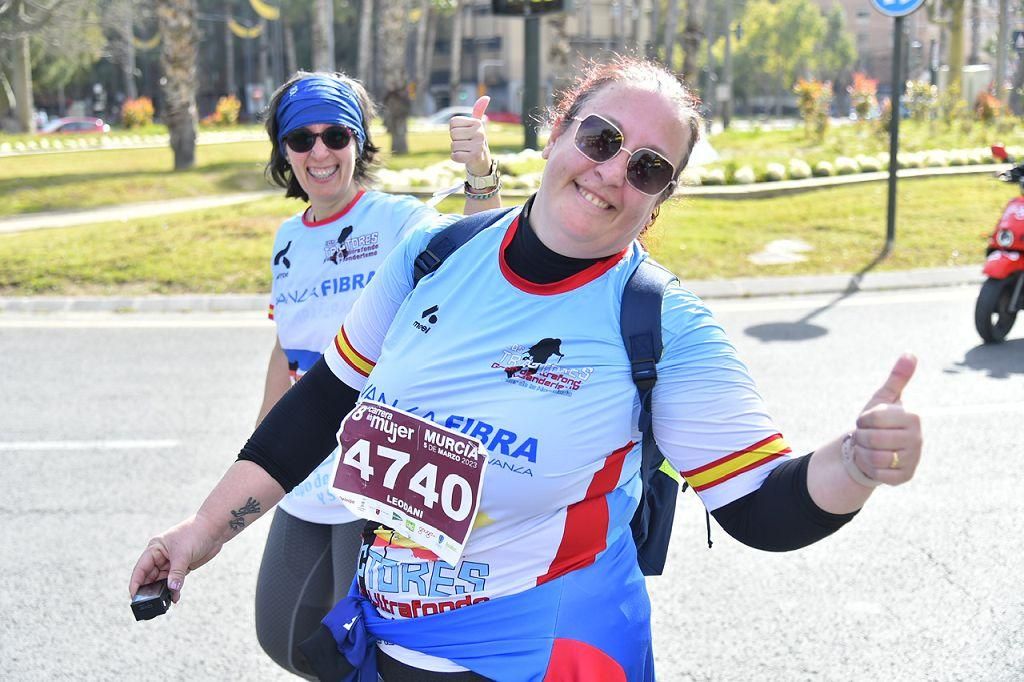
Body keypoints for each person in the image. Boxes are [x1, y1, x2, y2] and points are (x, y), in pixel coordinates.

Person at [130, 57, 923, 681]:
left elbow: (761, 508)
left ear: (661, 198)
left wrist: (853, 465)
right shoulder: (431, 254)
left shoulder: (660, 323)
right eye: (602, 139)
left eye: (647, 168)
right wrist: (203, 531)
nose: (613, 172)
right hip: (401, 641)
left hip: (557, 656)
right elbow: (322, 406)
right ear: (557, 132)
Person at [251, 71, 500, 678]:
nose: (319, 153)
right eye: (301, 139)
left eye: (335, 135)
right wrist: (259, 452)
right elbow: (288, 347)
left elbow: (482, 252)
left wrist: (480, 174)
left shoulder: (395, 220)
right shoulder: (288, 238)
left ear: (358, 143)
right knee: (282, 634)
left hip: (382, 466)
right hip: (307, 461)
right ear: (284, 153)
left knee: (372, 642)